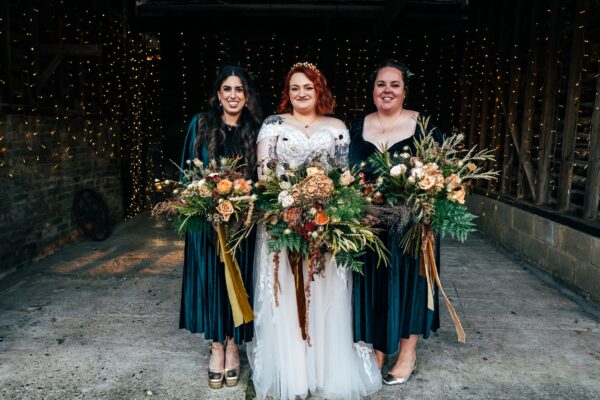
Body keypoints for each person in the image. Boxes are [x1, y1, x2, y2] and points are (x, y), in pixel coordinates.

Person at [249, 62, 381, 400]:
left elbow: (343, 176)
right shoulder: (273, 124)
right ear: (287, 93)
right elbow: (264, 176)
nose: (301, 93)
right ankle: (291, 375)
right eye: (294, 88)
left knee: (324, 294)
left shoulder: (335, 126)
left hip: (326, 225)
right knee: (287, 295)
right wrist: (291, 203)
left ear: (318, 89)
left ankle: (323, 370)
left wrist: (325, 208)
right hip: (283, 221)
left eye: (307, 87)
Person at [349, 59, 443, 385]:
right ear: (373, 90)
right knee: (372, 286)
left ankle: (407, 351)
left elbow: (439, 176)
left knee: (409, 285)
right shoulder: (355, 128)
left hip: (410, 225)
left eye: (394, 84)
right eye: (381, 84)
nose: (387, 90)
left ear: (405, 91)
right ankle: (377, 350)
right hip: (368, 225)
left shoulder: (424, 127)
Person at [179, 65, 262, 389]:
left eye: (239, 90)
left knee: (238, 282)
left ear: (246, 95)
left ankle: (233, 346)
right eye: (227, 89)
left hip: (241, 225)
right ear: (218, 94)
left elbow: (260, 179)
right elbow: (187, 173)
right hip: (206, 224)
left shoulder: (254, 129)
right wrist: (201, 200)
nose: (233, 95)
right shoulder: (199, 125)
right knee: (212, 282)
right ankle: (216, 346)